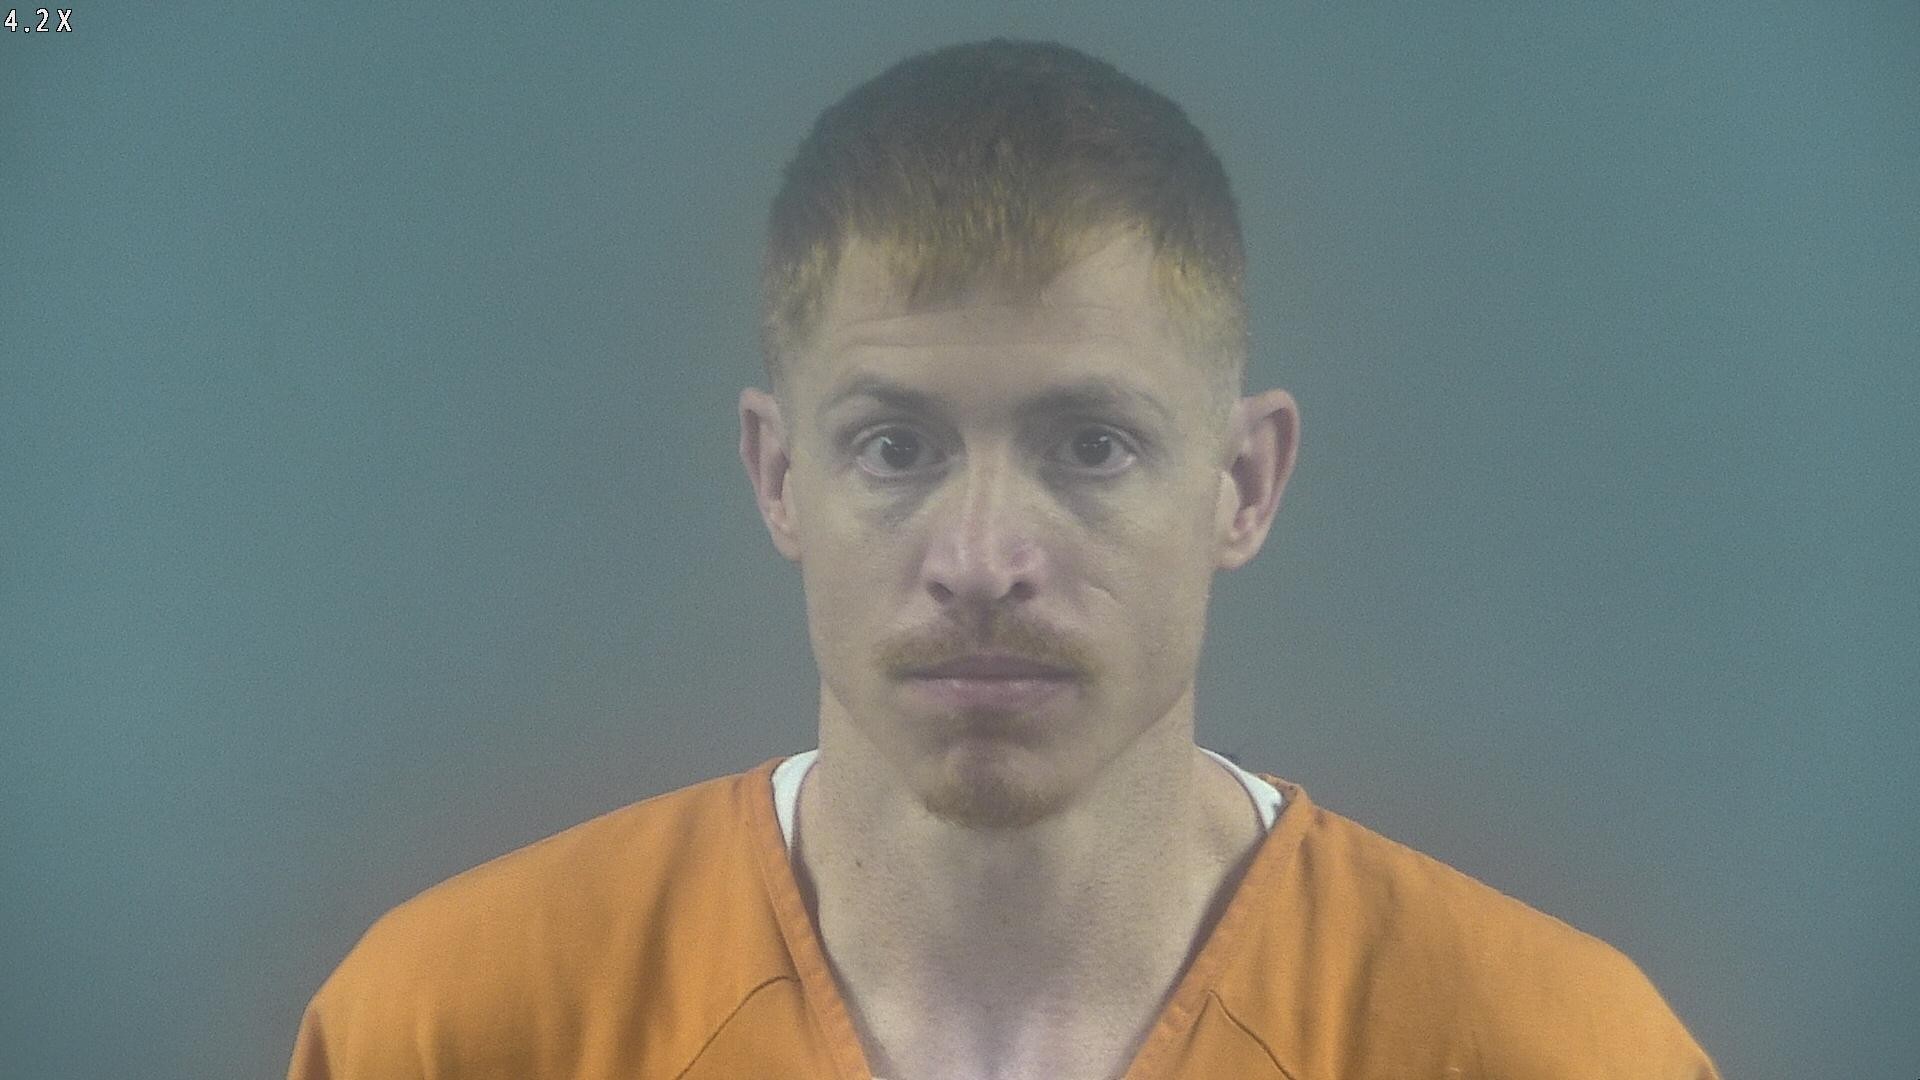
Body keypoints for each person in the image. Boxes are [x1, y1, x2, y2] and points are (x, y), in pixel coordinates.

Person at [287, 39, 1720, 1079]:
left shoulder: (1556, 1050)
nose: (982, 559)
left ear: (1243, 482)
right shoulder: (456, 1029)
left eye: (1090, 444)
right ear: (779, 476)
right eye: (894, 447)